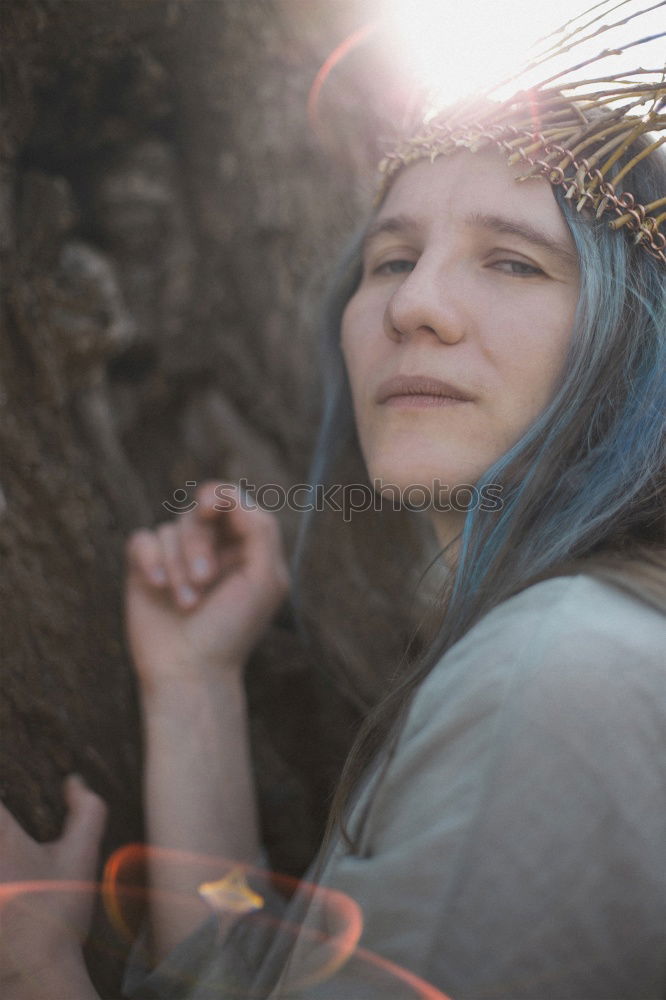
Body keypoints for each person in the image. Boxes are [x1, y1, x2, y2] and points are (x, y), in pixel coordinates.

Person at [1, 6, 665, 998]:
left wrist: (34, 966)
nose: (413, 304)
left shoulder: (557, 668)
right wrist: (195, 688)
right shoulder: (573, 646)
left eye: (513, 260)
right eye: (391, 259)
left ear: (637, 348)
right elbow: (252, 973)